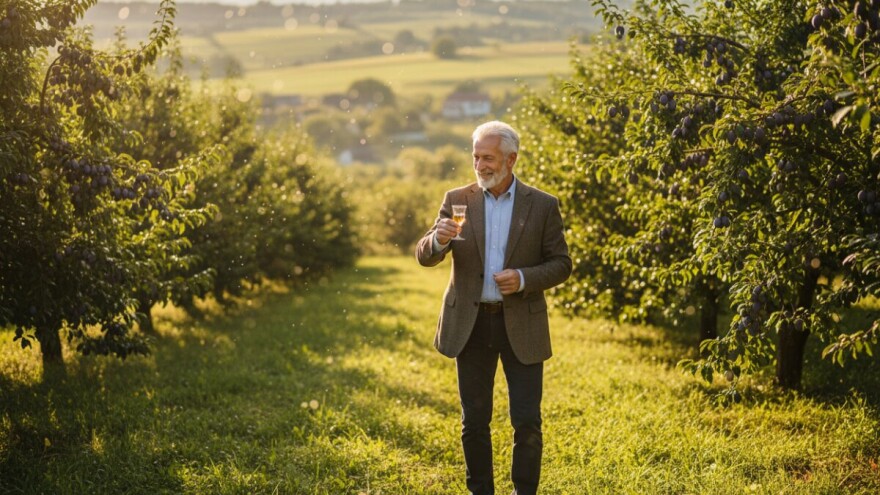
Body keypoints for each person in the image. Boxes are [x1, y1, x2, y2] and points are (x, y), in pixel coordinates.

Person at [415, 120, 572, 495]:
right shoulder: (458, 199)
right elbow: (425, 255)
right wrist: (437, 241)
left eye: (488, 158)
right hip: (470, 324)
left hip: (522, 324)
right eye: (476, 157)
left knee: (527, 420)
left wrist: (523, 278)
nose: (480, 165)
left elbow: (561, 264)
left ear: (511, 159)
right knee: (474, 420)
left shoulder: (543, 205)